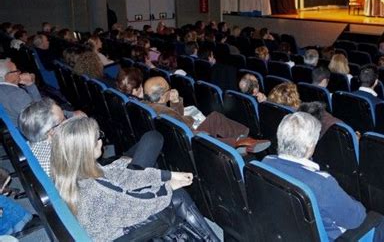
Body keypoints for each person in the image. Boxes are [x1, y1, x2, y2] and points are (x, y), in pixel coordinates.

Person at [50, 116, 219, 241]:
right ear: (86, 149)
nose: (101, 141)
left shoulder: (71, 171)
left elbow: (115, 174)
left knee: (164, 188)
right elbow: (138, 204)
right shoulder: (95, 190)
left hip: (111, 222)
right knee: (177, 196)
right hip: (121, 236)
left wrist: (166, 175)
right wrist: (168, 186)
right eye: (97, 138)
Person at [262, 112, 384, 242]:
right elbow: (357, 218)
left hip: (286, 229)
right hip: (330, 236)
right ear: (311, 146)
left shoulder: (266, 163)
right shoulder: (321, 183)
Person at [143, 76, 269, 152]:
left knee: (215, 117)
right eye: (168, 89)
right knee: (208, 132)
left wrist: (175, 102)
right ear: (163, 95)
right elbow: (184, 121)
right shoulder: (165, 112)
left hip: (180, 136)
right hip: (192, 139)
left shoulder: (146, 105)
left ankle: (245, 137)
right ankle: (240, 142)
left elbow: (177, 118)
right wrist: (188, 116)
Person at [18, 98, 66, 176]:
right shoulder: (59, 159)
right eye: (63, 120)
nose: (67, 121)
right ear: (50, 131)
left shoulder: (30, 143)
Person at [0, 58, 41, 126]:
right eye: (16, 70)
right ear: (8, 76)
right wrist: (30, 85)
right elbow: (40, 114)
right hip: (32, 128)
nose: (19, 73)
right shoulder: (16, 95)